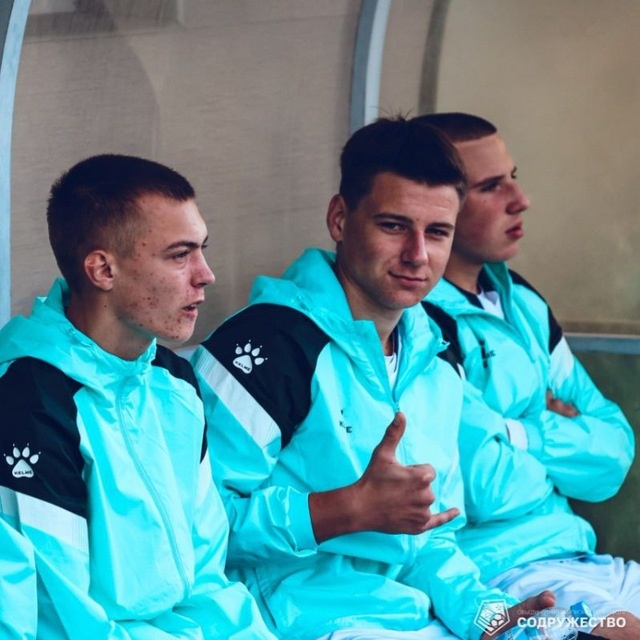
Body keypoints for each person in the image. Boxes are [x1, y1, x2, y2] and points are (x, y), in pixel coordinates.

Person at [192, 117, 554, 640]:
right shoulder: (267, 348)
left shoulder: (435, 354)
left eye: (438, 233)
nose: (418, 255)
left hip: (408, 615)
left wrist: (488, 618)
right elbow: (196, 533)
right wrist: (343, 511)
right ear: (340, 219)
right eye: (394, 226)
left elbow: (431, 538)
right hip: (295, 622)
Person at [0, 154, 276, 639]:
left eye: (202, 250)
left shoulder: (174, 381)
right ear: (102, 269)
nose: (206, 274)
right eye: (180, 255)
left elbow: (208, 579)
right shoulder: (27, 400)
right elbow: (57, 620)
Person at [417, 112, 640, 639]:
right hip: (503, 574)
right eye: (491, 187)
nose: (521, 200)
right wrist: (561, 432)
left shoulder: (521, 301)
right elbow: (484, 488)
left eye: (513, 178)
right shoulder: (417, 319)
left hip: (585, 557)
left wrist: (518, 430)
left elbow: (613, 455)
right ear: (437, 205)